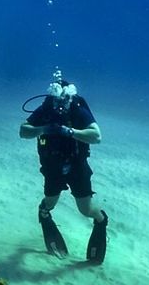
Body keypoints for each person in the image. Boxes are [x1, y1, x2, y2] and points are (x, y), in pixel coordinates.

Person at [19, 74, 109, 263]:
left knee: (85, 209)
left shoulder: (77, 108)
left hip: (77, 164)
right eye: (55, 101)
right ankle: (44, 214)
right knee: (50, 202)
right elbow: (23, 131)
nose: (59, 106)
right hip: (52, 165)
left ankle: (101, 220)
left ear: (69, 97)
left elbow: (97, 136)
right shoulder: (46, 109)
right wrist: (43, 129)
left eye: (63, 101)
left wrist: (70, 132)